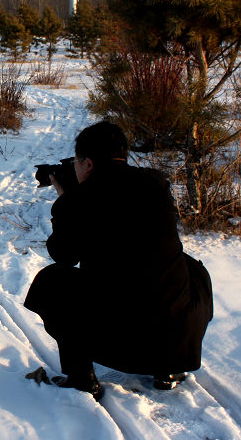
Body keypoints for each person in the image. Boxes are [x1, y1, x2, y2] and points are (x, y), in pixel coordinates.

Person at [24, 121, 213, 401]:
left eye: (76, 162)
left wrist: (67, 201)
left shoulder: (78, 200)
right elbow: (121, 210)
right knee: (190, 266)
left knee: (51, 281)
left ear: (87, 163)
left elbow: (63, 255)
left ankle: (81, 379)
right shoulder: (156, 184)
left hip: (125, 344)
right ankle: (168, 369)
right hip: (175, 339)